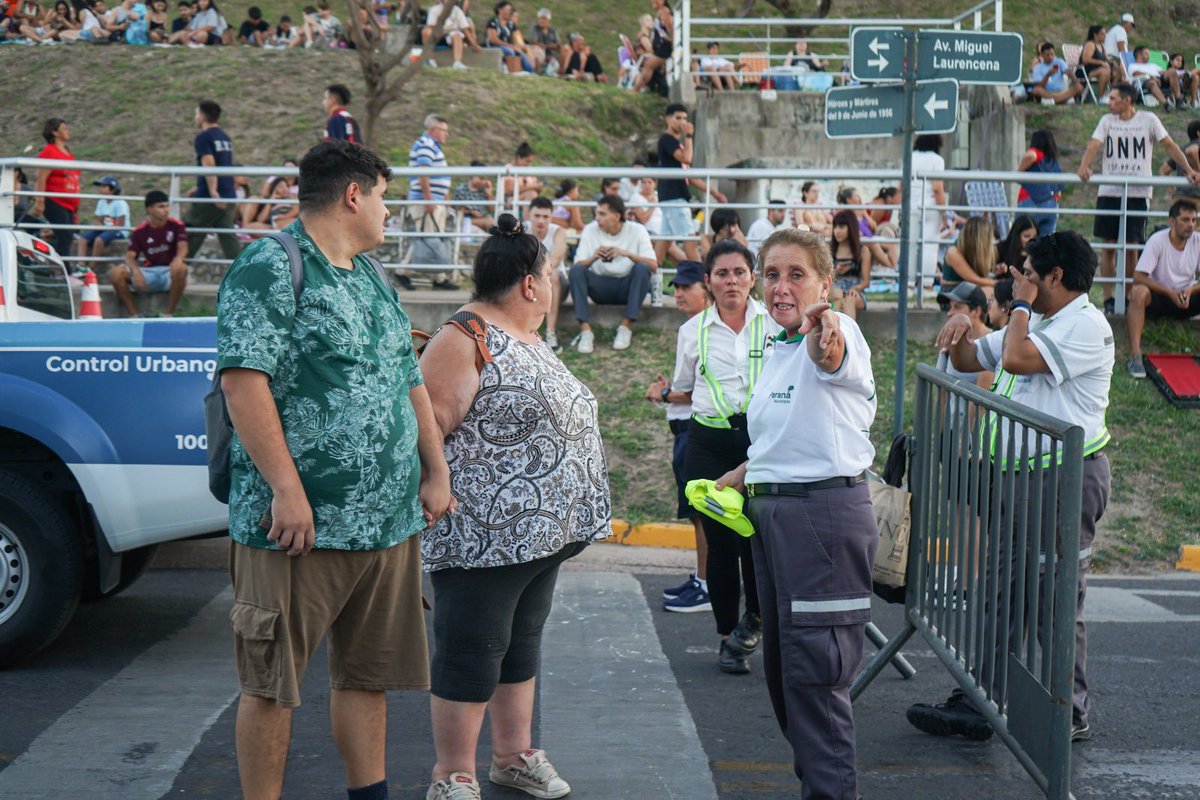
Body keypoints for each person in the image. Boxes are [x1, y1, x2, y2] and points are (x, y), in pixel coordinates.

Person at [217, 140, 451, 800]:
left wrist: (435, 470)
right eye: (383, 197)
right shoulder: (270, 264)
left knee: (366, 678)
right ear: (354, 195)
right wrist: (287, 491)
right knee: (271, 687)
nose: (387, 213)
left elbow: (409, 379)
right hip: (298, 528)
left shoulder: (372, 276)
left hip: (385, 526)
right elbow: (244, 384)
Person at [418, 212, 611, 800]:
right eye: (549, 274)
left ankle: (511, 756)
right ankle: (452, 774)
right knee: (470, 652)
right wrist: (434, 483)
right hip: (484, 536)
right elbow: (426, 426)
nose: (551, 284)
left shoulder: (524, 337)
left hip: (539, 537)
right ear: (530, 283)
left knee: (518, 644)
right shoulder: (465, 337)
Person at [910, 230, 1113, 746]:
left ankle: (1071, 709)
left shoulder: (1084, 325)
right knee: (1002, 596)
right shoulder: (1037, 321)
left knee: (1055, 600)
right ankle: (980, 700)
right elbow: (970, 360)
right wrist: (959, 328)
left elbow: (1018, 359)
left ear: (1055, 277)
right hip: (1020, 480)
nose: (1018, 279)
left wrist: (1018, 307)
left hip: (1065, 478)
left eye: (1027, 271)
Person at [710, 228, 876, 798]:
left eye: (797, 275)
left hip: (820, 520)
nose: (782, 287)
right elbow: (784, 436)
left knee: (817, 680)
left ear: (825, 284)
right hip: (776, 518)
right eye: (773, 274)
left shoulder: (833, 330)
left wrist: (824, 332)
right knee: (789, 680)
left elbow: (830, 354)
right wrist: (745, 471)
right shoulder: (777, 343)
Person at [674, 239, 782, 674]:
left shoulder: (774, 325)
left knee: (755, 541)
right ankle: (726, 637)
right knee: (719, 546)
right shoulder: (691, 331)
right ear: (709, 282)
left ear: (753, 278)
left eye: (739, 272)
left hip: (759, 444)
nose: (731, 280)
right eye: (722, 273)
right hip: (708, 443)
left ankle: (754, 622)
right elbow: (684, 386)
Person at [1077, 84, 1199, 315]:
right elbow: (1094, 145)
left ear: (1127, 100)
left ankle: (1131, 295)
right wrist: (1084, 165)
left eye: (1113, 99)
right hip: (1110, 191)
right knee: (1109, 246)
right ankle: (1109, 298)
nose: (1109, 103)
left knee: (1132, 247)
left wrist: (1188, 169)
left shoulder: (1148, 119)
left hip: (1138, 192)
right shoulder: (1107, 120)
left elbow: (1170, 145)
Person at [647, 260, 712, 613]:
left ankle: (707, 583)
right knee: (698, 511)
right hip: (687, 426)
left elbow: (698, 389)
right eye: (676, 287)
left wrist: (666, 393)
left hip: (694, 425)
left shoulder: (701, 328)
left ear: (707, 288)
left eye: (688, 286)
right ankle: (702, 576)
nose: (679, 293)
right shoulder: (693, 327)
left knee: (701, 511)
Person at [569, 195, 656, 353]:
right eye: (597, 214)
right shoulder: (590, 229)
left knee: (642, 269)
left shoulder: (637, 230)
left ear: (616, 216)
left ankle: (625, 327)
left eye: (602, 214)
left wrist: (625, 253)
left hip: (626, 287)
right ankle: (585, 331)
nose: (597, 218)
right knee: (576, 271)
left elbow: (653, 264)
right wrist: (594, 257)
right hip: (599, 287)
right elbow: (578, 265)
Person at [1125, 199, 1200, 378]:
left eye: (1193, 220)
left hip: (1186, 298)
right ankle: (1135, 355)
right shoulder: (1157, 241)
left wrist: (1191, 290)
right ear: (1171, 220)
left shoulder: (1197, 241)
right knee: (1138, 292)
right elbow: (1138, 277)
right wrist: (1169, 292)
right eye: (1185, 220)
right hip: (1160, 297)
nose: (1190, 225)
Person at [656, 103, 726, 263]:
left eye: (685, 118)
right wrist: (688, 136)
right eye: (678, 118)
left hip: (671, 198)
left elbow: (689, 174)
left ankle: (652, 276)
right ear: (668, 119)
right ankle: (701, 280)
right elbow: (687, 158)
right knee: (690, 239)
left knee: (664, 241)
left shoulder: (676, 143)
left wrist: (714, 192)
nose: (682, 122)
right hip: (674, 197)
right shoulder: (667, 140)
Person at [111, 189, 188, 317]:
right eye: (161, 207)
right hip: (149, 272)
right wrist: (136, 272)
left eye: (167, 206)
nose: (166, 210)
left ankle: (168, 314)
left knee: (181, 268)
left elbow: (183, 247)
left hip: (169, 271)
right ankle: (134, 315)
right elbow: (130, 256)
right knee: (116, 273)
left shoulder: (176, 225)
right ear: (149, 210)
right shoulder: (140, 231)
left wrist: (178, 260)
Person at [404, 114, 457, 291]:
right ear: (433, 130)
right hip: (427, 201)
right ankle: (404, 271)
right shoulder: (426, 145)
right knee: (429, 239)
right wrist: (428, 199)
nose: (446, 135)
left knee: (429, 237)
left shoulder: (432, 146)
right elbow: (423, 174)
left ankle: (437, 276)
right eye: (444, 130)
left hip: (434, 201)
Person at [185, 100, 242, 263]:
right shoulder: (225, 137)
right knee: (228, 238)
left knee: (190, 232)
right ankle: (245, 276)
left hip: (211, 196)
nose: (196, 117)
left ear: (202, 116)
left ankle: (174, 274)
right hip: (228, 193)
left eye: (197, 114)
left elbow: (210, 164)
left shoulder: (203, 137)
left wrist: (213, 192)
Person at [30, 118, 79, 261]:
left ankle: (54, 267)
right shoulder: (49, 152)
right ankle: (64, 271)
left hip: (69, 203)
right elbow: (41, 177)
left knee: (66, 236)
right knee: (65, 235)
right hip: (55, 200)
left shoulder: (68, 153)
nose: (67, 131)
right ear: (54, 132)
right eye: (64, 128)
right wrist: (40, 201)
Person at [523, 196, 568, 350]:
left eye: (545, 216)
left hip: (556, 282)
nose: (541, 220)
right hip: (528, 280)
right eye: (537, 216)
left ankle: (550, 332)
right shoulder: (523, 230)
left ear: (551, 216)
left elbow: (556, 258)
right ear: (529, 215)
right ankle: (522, 331)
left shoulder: (558, 232)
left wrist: (537, 274)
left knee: (553, 275)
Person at [935, 282, 994, 388]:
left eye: (957, 307)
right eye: (950, 307)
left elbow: (981, 400)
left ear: (976, 311)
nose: (950, 312)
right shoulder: (949, 343)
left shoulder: (994, 345)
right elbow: (941, 392)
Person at [910, 135, 948, 290]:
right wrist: (944, 213)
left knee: (910, 245)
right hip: (931, 206)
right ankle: (927, 285)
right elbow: (937, 188)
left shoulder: (909, 157)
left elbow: (900, 186)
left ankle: (909, 284)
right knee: (930, 246)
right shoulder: (937, 160)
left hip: (911, 205)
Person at [76, 176, 129, 271]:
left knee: (99, 240)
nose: (101, 189)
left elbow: (120, 224)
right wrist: (98, 224)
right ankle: (81, 266)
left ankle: (91, 268)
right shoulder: (102, 201)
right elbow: (100, 220)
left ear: (112, 189)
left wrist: (104, 227)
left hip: (118, 230)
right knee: (83, 239)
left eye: (104, 186)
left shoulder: (120, 203)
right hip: (105, 228)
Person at [1017, 129, 1064, 236]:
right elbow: (1058, 191)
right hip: (1052, 205)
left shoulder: (1037, 153)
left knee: (1020, 238)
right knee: (1046, 245)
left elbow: (1031, 155)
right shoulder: (1053, 162)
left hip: (1031, 201)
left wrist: (1019, 172)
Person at [829, 209, 871, 321]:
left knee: (849, 298)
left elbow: (866, 282)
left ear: (851, 228)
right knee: (837, 296)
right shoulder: (830, 250)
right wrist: (837, 271)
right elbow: (825, 278)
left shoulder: (863, 251)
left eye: (841, 227)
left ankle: (849, 336)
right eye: (835, 227)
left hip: (855, 290)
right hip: (835, 289)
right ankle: (833, 335)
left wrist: (855, 288)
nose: (837, 231)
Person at [942, 216, 999, 292]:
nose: (992, 240)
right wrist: (1005, 284)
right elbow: (976, 280)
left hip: (968, 288)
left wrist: (995, 270)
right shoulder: (953, 251)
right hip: (953, 293)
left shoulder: (974, 250)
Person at [423, 0, 479, 69]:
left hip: (451, 36)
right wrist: (444, 31)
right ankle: (430, 60)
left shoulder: (458, 11)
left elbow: (465, 29)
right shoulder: (435, 9)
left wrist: (474, 44)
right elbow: (430, 26)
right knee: (426, 32)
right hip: (437, 35)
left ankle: (457, 63)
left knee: (457, 35)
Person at [633, 0, 672, 92]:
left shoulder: (664, 11)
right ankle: (637, 89)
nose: (652, 2)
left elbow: (670, 28)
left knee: (649, 66)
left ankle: (636, 90)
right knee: (649, 66)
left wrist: (672, 42)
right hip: (661, 46)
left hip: (665, 46)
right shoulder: (660, 12)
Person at [486, 1, 533, 74]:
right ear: (500, 10)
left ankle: (531, 72)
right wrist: (511, 46)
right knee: (510, 51)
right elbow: (493, 40)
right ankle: (513, 72)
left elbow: (518, 38)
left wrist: (523, 47)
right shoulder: (493, 22)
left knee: (521, 52)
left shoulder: (511, 24)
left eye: (510, 10)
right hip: (494, 46)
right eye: (508, 10)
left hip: (508, 46)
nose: (510, 12)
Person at [451, 162, 495, 233]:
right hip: (467, 220)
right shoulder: (461, 189)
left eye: (485, 179)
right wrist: (471, 212)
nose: (483, 182)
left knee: (491, 221)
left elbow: (491, 210)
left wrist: (489, 194)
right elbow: (456, 209)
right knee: (490, 222)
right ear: (472, 176)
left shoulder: (484, 190)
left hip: (483, 219)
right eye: (481, 178)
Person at [1127, 46, 1173, 110]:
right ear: (1139, 55)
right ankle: (1166, 104)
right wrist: (1151, 76)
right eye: (1146, 53)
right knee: (1152, 82)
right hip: (1145, 83)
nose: (1149, 55)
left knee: (1171, 72)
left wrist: (1168, 73)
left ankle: (1179, 99)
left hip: (1159, 80)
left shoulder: (1152, 65)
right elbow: (1136, 73)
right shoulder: (1132, 66)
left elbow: (1163, 72)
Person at [1079, 25, 1111, 97]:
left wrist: (1114, 63)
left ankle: (1109, 95)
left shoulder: (1102, 46)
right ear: (1095, 35)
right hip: (1087, 70)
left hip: (1098, 69)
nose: (1105, 36)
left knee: (1115, 72)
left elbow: (1107, 59)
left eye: (1105, 33)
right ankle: (1101, 97)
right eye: (1102, 34)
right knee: (1104, 71)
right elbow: (1085, 60)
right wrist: (1101, 62)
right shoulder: (1090, 44)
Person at [526, 7, 560, 75]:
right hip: (538, 52)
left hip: (551, 53)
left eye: (544, 18)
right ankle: (539, 72)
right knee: (539, 52)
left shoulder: (553, 30)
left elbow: (558, 45)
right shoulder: (534, 28)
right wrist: (550, 46)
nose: (542, 20)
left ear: (549, 20)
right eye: (540, 18)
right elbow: (533, 42)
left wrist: (545, 46)